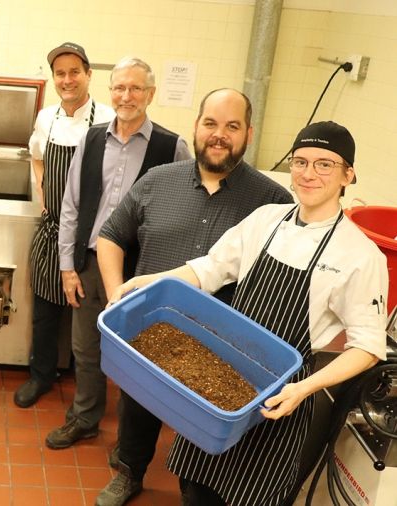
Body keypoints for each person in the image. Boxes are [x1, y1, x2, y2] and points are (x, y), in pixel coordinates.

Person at [111, 121, 387, 506]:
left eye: (325, 164)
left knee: (249, 497)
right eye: (301, 162)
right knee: (196, 490)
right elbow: (209, 268)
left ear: (348, 174)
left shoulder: (359, 256)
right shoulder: (266, 220)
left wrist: (302, 389)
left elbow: (368, 347)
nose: (309, 174)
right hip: (225, 380)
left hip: (283, 398)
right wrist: (150, 281)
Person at [93, 88, 293, 506]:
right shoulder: (157, 181)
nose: (219, 135)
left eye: (232, 126)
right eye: (211, 123)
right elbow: (111, 236)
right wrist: (116, 296)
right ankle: (129, 472)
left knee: (205, 426)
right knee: (137, 409)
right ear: (196, 127)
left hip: (220, 346)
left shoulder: (273, 201)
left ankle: (195, 488)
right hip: (151, 330)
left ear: (248, 134)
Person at [49, 57, 191, 449]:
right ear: (109, 91)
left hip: (139, 272)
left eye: (135, 88)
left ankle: (131, 442)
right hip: (90, 264)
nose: (126, 96)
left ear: (151, 94)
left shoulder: (172, 146)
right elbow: (71, 206)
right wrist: (67, 267)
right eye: (119, 88)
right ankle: (85, 417)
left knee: (137, 358)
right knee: (85, 348)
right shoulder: (92, 139)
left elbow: (184, 210)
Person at [14, 42, 115, 409]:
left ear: (89, 75)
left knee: (86, 317)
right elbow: (37, 158)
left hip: (91, 238)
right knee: (45, 312)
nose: (68, 79)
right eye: (60, 73)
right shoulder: (46, 118)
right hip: (53, 228)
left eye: (75, 72)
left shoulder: (106, 119)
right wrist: (44, 197)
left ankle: (81, 384)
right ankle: (41, 375)